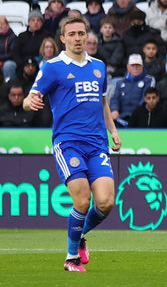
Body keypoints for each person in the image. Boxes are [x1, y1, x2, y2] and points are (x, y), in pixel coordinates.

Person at [24, 15, 121, 272]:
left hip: (97, 144)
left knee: (106, 202)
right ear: (63, 38)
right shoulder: (52, 67)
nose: (78, 38)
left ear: (87, 36)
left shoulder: (99, 67)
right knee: (82, 200)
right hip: (68, 143)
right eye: (73, 34)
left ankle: (78, 238)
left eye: (82, 33)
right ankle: (71, 258)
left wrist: (113, 131)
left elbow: (103, 103)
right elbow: (30, 97)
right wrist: (30, 102)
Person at [109, 53, 156, 127]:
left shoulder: (148, 80)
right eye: (133, 65)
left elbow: (146, 99)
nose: (135, 68)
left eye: (138, 65)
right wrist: (115, 110)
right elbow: (115, 98)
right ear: (128, 67)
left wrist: (136, 114)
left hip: (140, 117)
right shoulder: (120, 82)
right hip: (121, 116)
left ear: (142, 67)